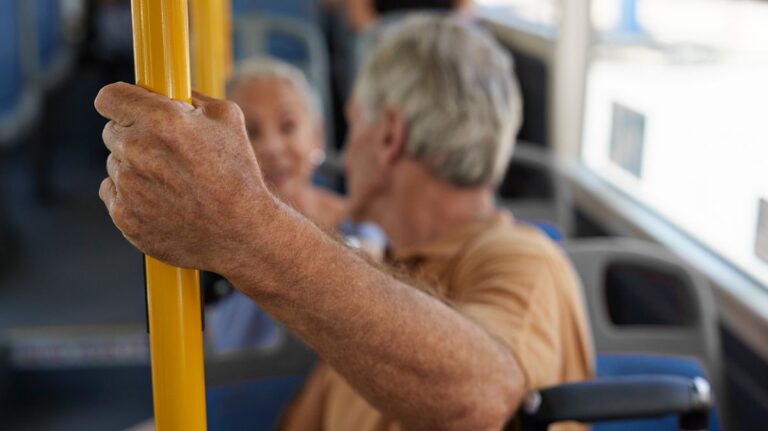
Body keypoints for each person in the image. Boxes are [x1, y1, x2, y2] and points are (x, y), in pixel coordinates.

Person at [95, 15, 593, 431]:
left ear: (388, 137)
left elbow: (483, 399)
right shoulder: (386, 268)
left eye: (354, 125)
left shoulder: (526, 264)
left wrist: (246, 227)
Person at [208, 58, 385, 352]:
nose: (272, 147)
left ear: (316, 136)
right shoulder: (209, 233)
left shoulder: (358, 220)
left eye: (288, 127)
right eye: (251, 132)